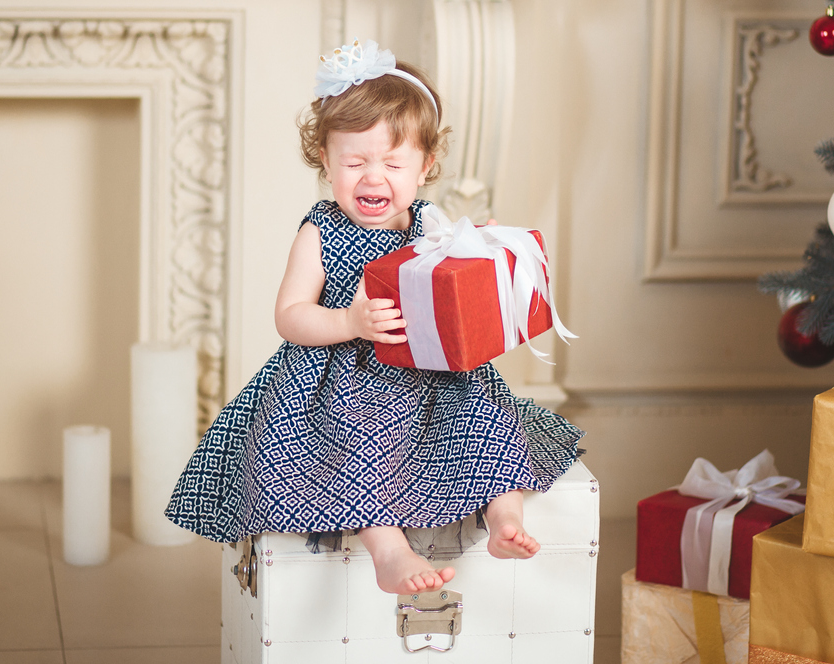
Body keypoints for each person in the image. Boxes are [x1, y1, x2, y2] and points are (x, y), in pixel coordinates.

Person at [165, 39, 583, 594]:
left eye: (393, 162)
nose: (372, 177)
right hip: (343, 381)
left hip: (434, 377)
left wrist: (479, 251)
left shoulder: (431, 223)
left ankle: (506, 519)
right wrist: (349, 323)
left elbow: (457, 283)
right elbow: (290, 316)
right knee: (358, 442)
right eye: (354, 162)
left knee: (492, 419)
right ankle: (388, 550)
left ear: (426, 166)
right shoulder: (319, 232)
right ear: (324, 159)